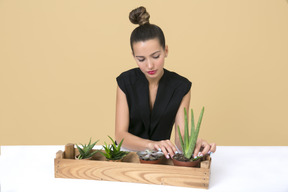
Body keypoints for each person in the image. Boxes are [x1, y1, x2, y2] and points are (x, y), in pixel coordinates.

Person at [115, 6, 216, 159]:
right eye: (141, 59)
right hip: (126, 156)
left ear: (166, 51)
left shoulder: (181, 87)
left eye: (155, 56)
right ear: (133, 56)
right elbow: (120, 135)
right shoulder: (125, 82)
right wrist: (150, 144)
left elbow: (180, 140)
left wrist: (195, 144)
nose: (149, 65)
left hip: (160, 159)